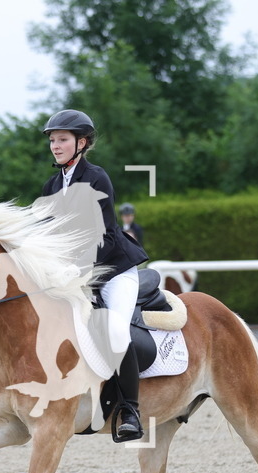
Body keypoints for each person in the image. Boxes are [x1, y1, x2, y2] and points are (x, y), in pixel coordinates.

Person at [41, 109, 149, 441]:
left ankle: (130, 410)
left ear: (81, 142)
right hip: (75, 275)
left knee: (115, 330)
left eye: (62, 140)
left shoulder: (97, 177)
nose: (55, 146)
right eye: (52, 140)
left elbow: (98, 236)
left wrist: (73, 273)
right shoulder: (52, 184)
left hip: (114, 270)